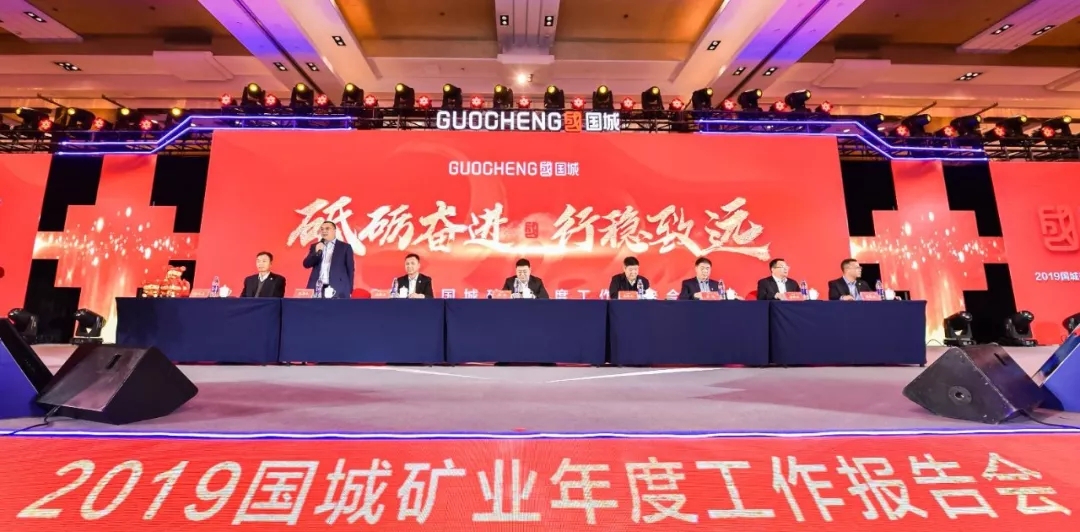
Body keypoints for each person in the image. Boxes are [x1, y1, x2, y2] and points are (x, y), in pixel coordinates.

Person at [302, 221, 355, 298]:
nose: (324, 231)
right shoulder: (316, 246)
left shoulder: (345, 247)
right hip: (317, 287)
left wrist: (349, 290)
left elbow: (350, 270)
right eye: (322, 229)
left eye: (327, 228)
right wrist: (316, 253)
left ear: (334, 230)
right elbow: (306, 264)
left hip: (337, 287)